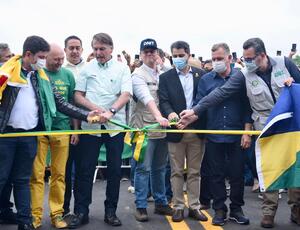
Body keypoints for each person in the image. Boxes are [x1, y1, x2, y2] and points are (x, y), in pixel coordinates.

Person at [179, 37, 300, 228]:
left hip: (291, 125)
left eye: (250, 58)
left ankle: (296, 210)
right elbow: (221, 93)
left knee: (295, 167)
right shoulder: (243, 74)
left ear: (262, 55)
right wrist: (195, 111)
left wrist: (294, 84)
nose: (247, 62)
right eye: (245, 58)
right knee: (269, 169)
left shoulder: (286, 64)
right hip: (265, 127)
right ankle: (268, 212)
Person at [0, 35, 99, 230]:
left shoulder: (40, 77)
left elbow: (61, 103)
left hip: (30, 136)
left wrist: (88, 116)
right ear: (29, 55)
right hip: (7, 137)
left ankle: (26, 221)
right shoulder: (7, 75)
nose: (45, 61)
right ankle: (27, 216)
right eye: (42, 57)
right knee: (3, 178)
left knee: (21, 180)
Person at [69, 33, 132, 228]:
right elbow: (78, 96)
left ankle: (111, 212)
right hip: (91, 127)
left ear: (111, 49)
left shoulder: (122, 68)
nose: (98, 53)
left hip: (114, 127)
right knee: (84, 171)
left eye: (102, 49)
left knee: (114, 172)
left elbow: (126, 93)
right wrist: (94, 108)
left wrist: (111, 111)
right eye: (95, 48)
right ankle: (81, 211)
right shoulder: (87, 69)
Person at [196, 43, 252, 226]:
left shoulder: (240, 78)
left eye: (220, 58)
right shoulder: (205, 80)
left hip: (236, 135)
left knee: (237, 174)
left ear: (230, 58)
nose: (216, 62)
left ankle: (237, 209)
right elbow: (200, 105)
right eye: (214, 59)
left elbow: (247, 107)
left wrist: (246, 132)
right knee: (216, 175)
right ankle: (219, 209)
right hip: (213, 134)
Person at [30, 44, 78, 229]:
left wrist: (74, 130)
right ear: (46, 57)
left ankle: (57, 215)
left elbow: (71, 103)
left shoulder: (67, 75)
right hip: (40, 130)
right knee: (37, 175)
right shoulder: (37, 74)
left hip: (62, 130)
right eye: (56, 59)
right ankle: (35, 216)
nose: (60, 62)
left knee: (59, 175)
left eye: (61, 59)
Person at [158, 40, 207, 222]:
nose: (178, 59)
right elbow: (163, 100)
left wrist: (193, 117)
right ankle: (178, 206)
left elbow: (204, 100)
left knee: (195, 171)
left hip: (196, 129)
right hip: (176, 130)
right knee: (176, 171)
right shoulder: (165, 77)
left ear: (188, 55)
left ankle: (194, 206)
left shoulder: (201, 75)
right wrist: (170, 112)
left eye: (181, 55)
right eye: (175, 56)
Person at [130, 38, 172, 222]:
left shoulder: (162, 73)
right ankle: (141, 206)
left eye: (153, 51)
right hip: (144, 129)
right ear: (141, 54)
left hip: (162, 129)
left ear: (157, 53)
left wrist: (163, 66)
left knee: (160, 168)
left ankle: (161, 202)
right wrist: (158, 117)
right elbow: (147, 98)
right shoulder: (137, 75)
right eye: (146, 52)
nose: (150, 54)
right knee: (143, 169)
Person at [63, 35, 86, 216]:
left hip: (87, 128)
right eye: (71, 48)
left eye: (77, 47)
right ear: (65, 50)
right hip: (66, 128)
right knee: (64, 172)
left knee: (82, 173)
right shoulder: (61, 70)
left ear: (82, 49)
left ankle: (80, 210)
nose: (74, 51)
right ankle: (63, 209)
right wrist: (73, 130)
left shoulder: (88, 69)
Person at [0, 42, 17, 226]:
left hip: (9, 132)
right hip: (3, 134)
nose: (12, 59)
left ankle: (5, 210)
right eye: (7, 57)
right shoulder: (4, 75)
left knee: (8, 177)